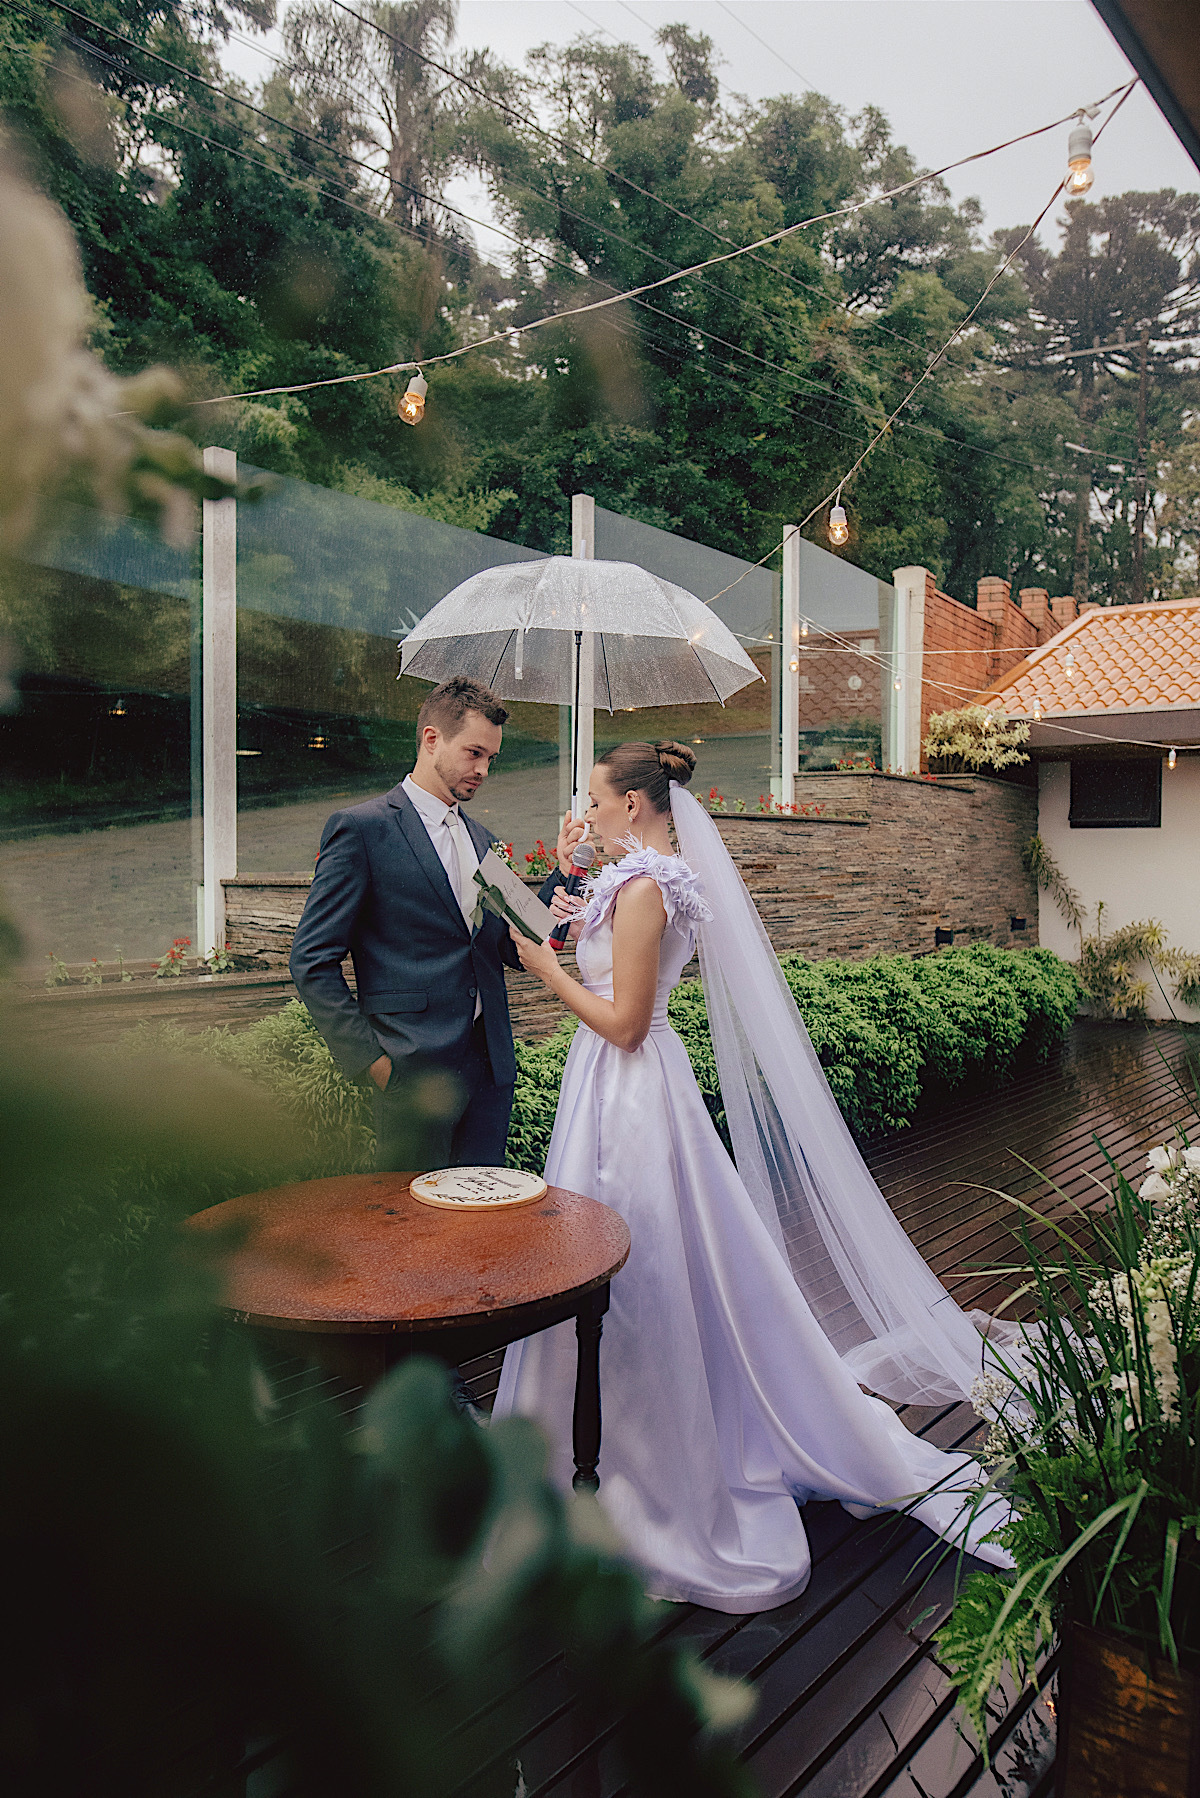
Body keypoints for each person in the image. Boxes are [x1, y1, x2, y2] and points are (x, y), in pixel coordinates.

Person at [497, 739, 1010, 1613]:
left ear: (633, 802)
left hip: (627, 1097)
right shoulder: (650, 875)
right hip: (612, 1093)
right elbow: (604, 936)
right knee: (637, 1266)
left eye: (594, 797)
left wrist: (545, 970)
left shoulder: (650, 888)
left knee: (636, 1273)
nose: (584, 809)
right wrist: (577, 867)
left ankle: (642, 1464)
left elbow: (623, 1022)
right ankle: (587, 1435)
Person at [290, 676, 527, 1172]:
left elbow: (515, 939)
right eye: (474, 752)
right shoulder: (362, 829)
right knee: (412, 1233)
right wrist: (373, 1063)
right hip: (410, 1070)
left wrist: (566, 869)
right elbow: (311, 959)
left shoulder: (483, 837)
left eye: (492, 759)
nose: (483, 769)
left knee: (483, 1228)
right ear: (431, 739)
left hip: (490, 1068)